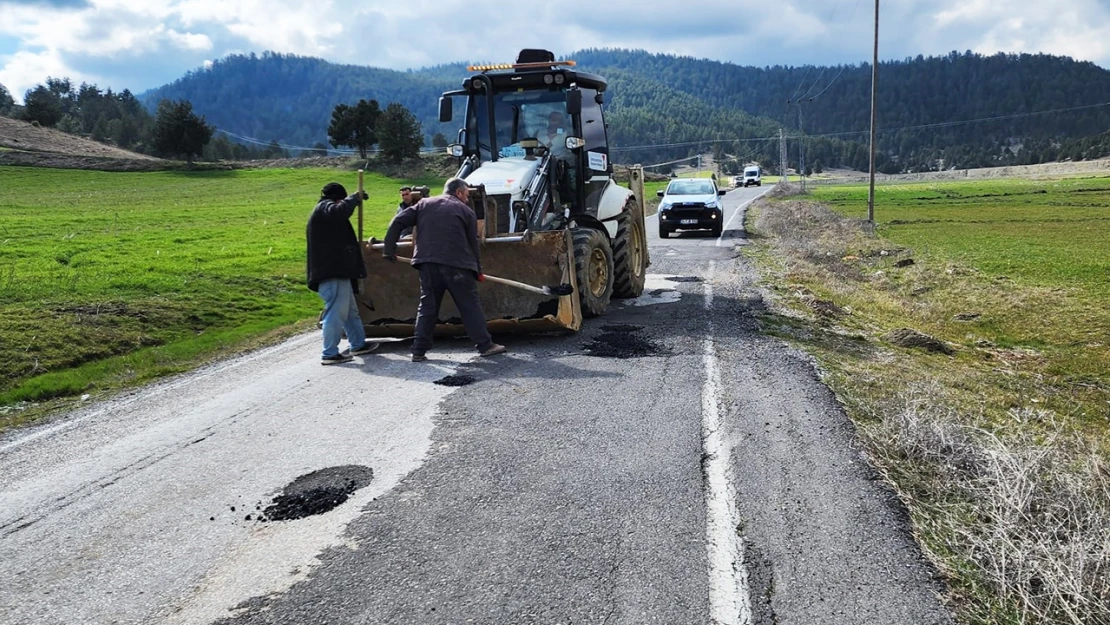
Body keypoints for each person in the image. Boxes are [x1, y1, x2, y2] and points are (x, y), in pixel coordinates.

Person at [382, 178, 507, 362]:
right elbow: (473, 245)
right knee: (469, 306)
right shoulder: (466, 211)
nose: (466, 199)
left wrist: (388, 249)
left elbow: (398, 221)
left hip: (427, 264)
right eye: (465, 195)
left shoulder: (424, 204)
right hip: (457, 266)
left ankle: (418, 350)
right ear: (458, 193)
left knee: (427, 307)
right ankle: (485, 345)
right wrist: (477, 270)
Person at [306, 182, 380, 365]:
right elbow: (339, 212)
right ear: (338, 198)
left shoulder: (323, 211)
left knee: (350, 312)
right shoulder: (325, 208)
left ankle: (358, 344)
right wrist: (354, 199)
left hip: (337, 270)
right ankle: (329, 353)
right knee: (336, 312)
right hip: (331, 272)